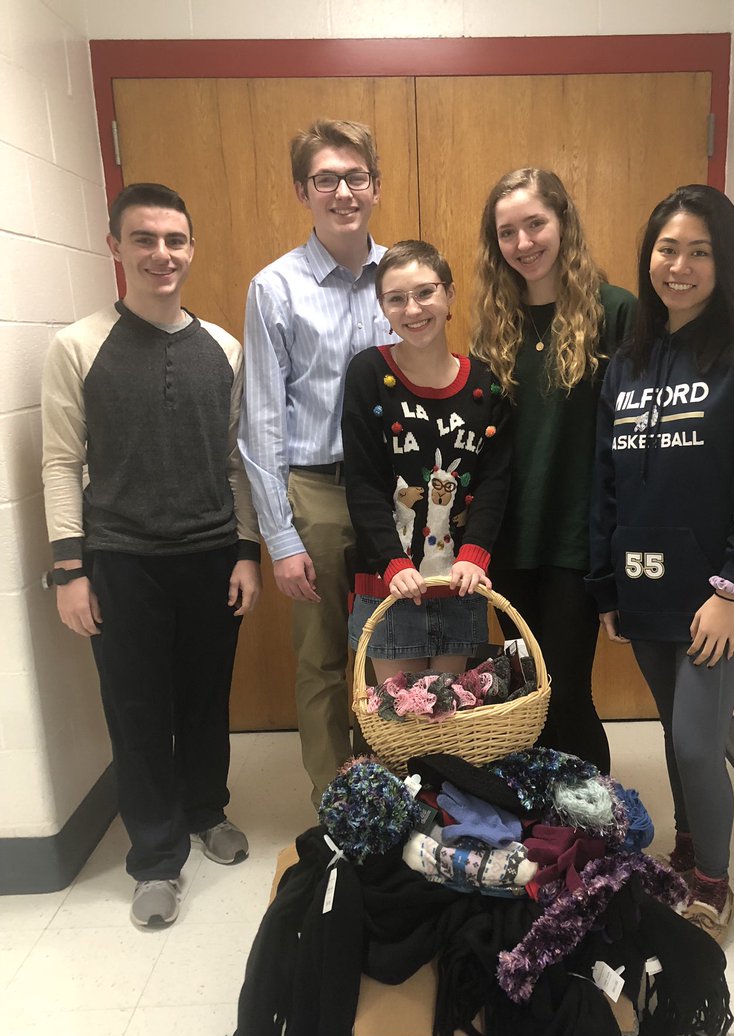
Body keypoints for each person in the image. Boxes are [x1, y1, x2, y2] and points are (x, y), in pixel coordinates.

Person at [587, 184, 734, 942]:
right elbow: (607, 484)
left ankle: (712, 882)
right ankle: (683, 853)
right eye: (667, 248)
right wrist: (606, 585)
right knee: (675, 732)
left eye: (700, 251)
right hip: (645, 592)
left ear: (726, 263)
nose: (679, 266)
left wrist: (733, 589)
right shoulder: (627, 363)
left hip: (717, 599)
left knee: (692, 742)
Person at [41, 182, 261, 929]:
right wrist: (69, 570)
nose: (161, 254)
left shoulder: (225, 348)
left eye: (174, 240)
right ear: (116, 247)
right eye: (144, 239)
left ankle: (206, 811)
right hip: (121, 560)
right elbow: (60, 461)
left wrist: (246, 552)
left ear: (191, 248)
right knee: (137, 712)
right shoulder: (78, 346)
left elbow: (237, 464)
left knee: (205, 700)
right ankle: (155, 859)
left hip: (210, 557)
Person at [240, 118, 397, 803]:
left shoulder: (405, 276)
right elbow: (261, 423)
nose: (342, 192)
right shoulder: (275, 289)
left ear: (376, 185)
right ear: (303, 190)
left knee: (397, 649)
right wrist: (280, 538)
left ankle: (399, 788)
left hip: (401, 496)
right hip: (319, 494)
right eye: (325, 179)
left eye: (355, 177)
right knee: (322, 658)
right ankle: (340, 804)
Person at [470, 167, 637, 775]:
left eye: (535, 224)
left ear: (563, 222)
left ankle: (592, 832)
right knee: (523, 694)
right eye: (507, 232)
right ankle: (540, 830)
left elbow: (635, 440)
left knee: (565, 693)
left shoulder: (615, 313)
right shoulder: (495, 322)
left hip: (576, 540)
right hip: (510, 540)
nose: (523, 243)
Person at [342, 240, 511, 682]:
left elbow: (495, 479)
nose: (412, 309)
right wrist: (392, 562)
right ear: (383, 307)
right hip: (389, 587)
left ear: (450, 295)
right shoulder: (368, 374)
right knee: (403, 727)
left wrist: (475, 555)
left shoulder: (487, 383)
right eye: (396, 298)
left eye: (425, 293)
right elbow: (362, 483)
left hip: (460, 583)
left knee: (449, 726)